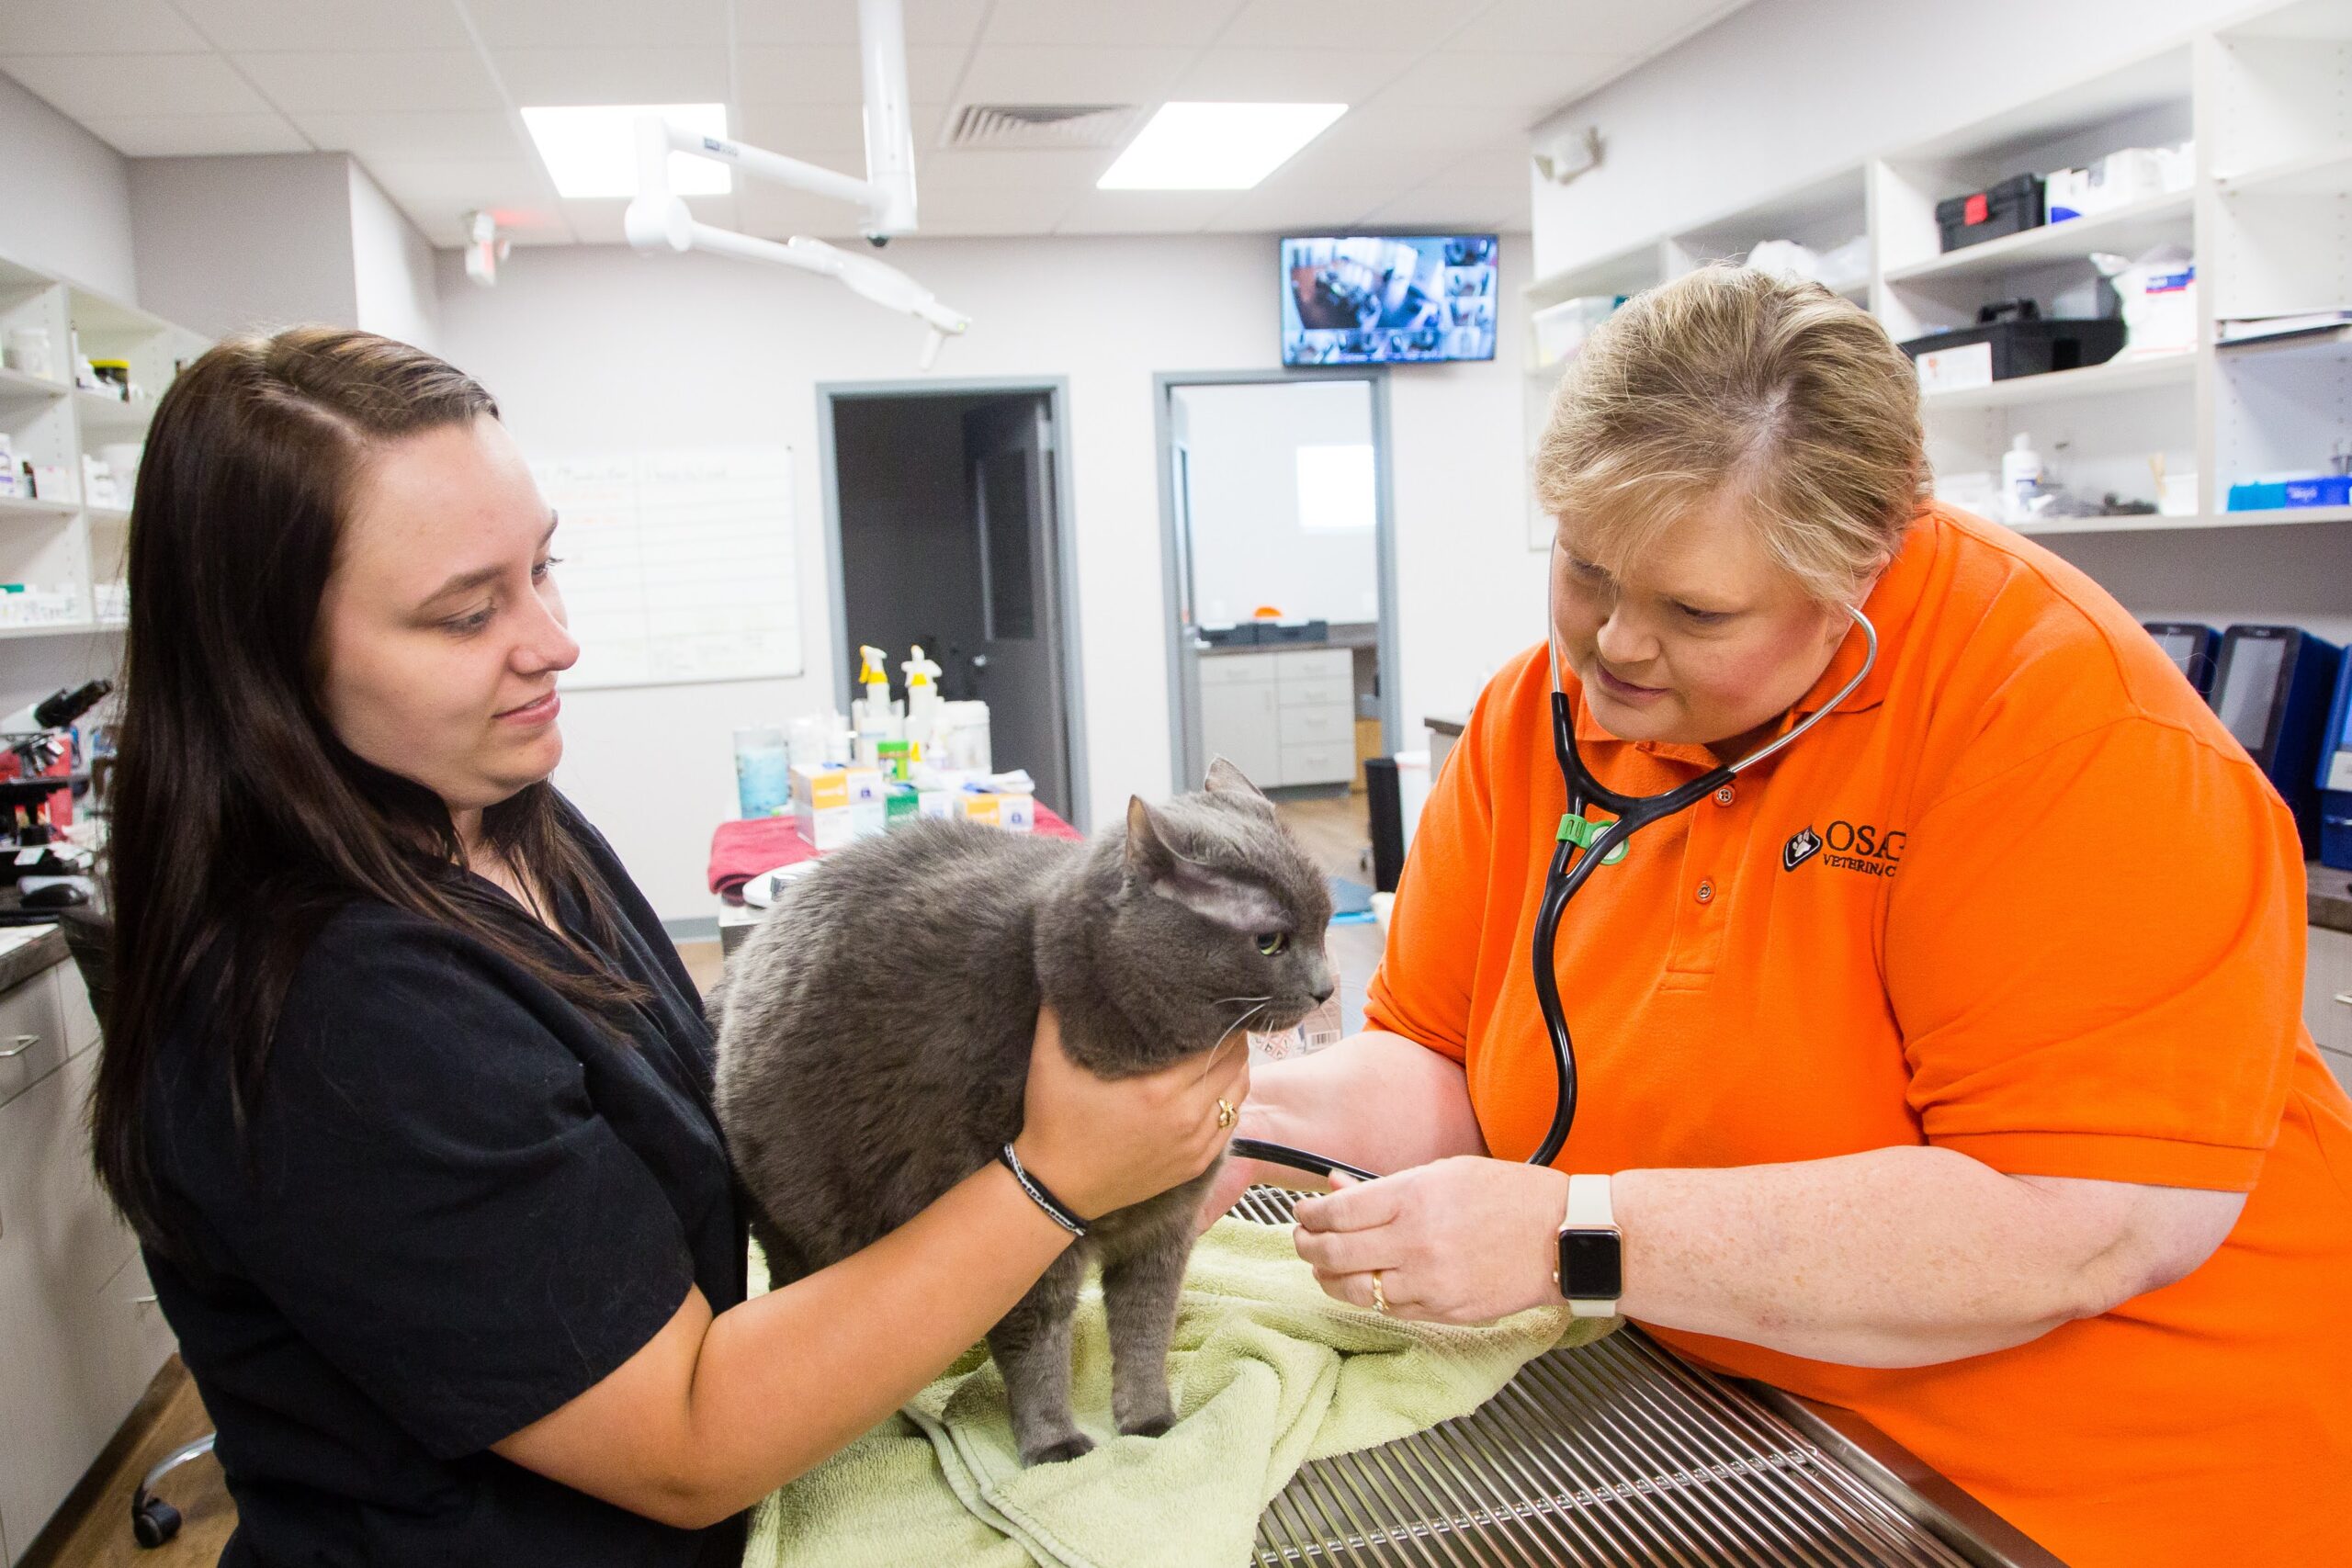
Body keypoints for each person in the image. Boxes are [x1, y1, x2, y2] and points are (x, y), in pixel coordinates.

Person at [1212, 265, 2352, 1565]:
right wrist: (1231, 1124)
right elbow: (1446, 1063)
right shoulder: (1541, 716)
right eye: (1588, 573)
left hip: (2095, 1501)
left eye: (1695, 611)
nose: (1612, 650)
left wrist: (1571, 1236)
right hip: (1775, 1438)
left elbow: (2080, 1225)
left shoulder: (2071, 731)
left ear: (1861, 568)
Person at [87, 327, 1248, 1566]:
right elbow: (684, 1438)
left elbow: (691, 1125)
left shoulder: (503, 820)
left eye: (544, 568)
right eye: (466, 613)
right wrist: (1049, 1184)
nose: (551, 640)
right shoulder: (340, 1018)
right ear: (269, 665)